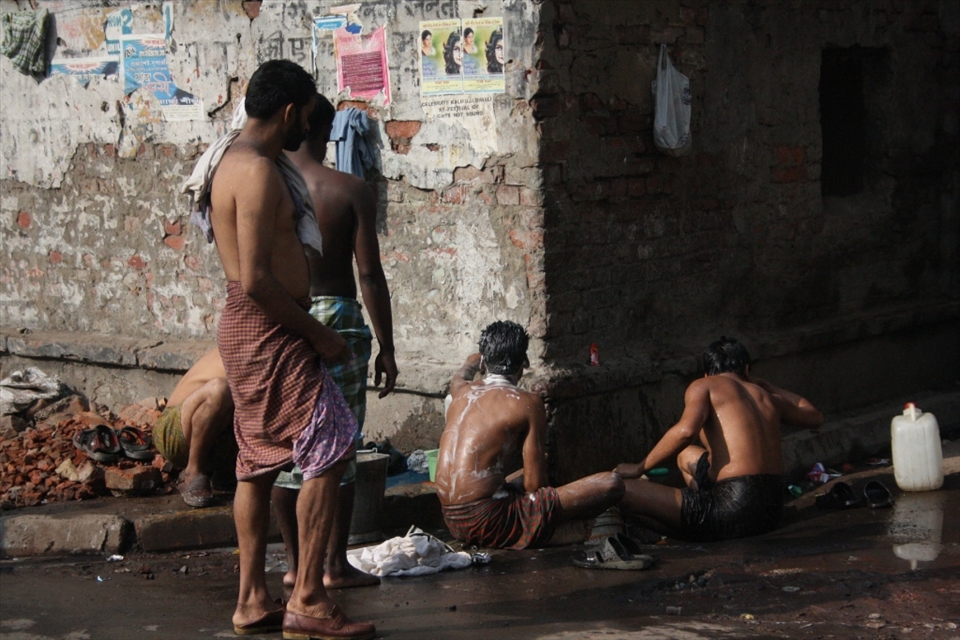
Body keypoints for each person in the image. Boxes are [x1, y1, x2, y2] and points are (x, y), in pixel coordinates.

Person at [207, 59, 374, 639]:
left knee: (256, 463)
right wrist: (319, 334)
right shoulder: (255, 171)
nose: (308, 124)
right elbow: (255, 278)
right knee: (332, 439)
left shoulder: (232, 159)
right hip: (267, 327)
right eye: (305, 114)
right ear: (287, 112)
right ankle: (307, 597)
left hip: (252, 327)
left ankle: (252, 600)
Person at [274, 92, 398, 592]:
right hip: (339, 320)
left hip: (285, 319)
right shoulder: (349, 189)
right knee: (340, 447)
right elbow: (369, 274)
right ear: (326, 132)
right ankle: (334, 565)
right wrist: (387, 347)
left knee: (287, 450)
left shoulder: (269, 184)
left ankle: (292, 564)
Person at [436, 321, 625, 549]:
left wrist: (475, 359)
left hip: (453, 521)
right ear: (524, 363)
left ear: (484, 363)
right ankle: (548, 532)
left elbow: (461, 374)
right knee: (612, 484)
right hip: (489, 521)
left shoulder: (460, 391)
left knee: (522, 476)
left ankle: (534, 529)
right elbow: (535, 486)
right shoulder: (527, 403)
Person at [616, 337, 824, 542]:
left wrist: (639, 467)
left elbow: (686, 432)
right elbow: (815, 416)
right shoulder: (767, 395)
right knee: (686, 455)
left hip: (734, 508)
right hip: (772, 511)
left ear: (707, 373)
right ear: (747, 370)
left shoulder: (704, 385)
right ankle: (708, 504)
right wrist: (765, 384)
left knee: (621, 491)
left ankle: (706, 516)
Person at [153, 348, 237, 508]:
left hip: (222, 443)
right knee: (220, 389)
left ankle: (224, 472)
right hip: (175, 434)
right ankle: (192, 472)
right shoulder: (247, 344)